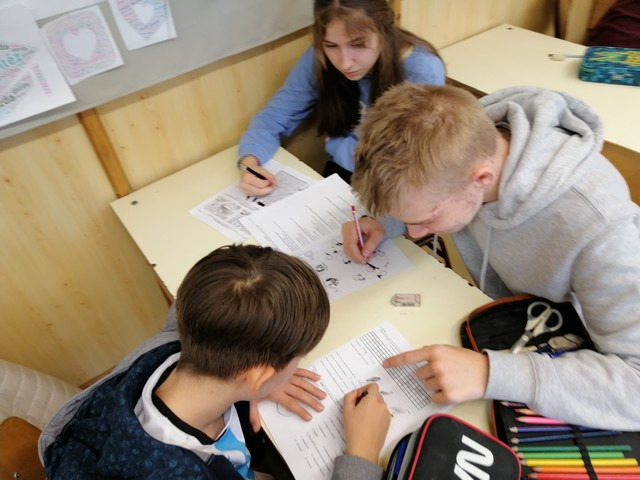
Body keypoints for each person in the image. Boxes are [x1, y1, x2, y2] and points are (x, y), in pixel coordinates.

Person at [341, 83, 640, 431]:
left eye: (426, 219)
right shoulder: (463, 142)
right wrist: (384, 221)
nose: (417, 233)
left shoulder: (602, 228)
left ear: (481, 179)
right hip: (500, 319)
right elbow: (426, 188)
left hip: (569, 355)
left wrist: (491, 373)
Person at [39, 245, 391, 479]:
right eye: (297, 359)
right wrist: (361, 455)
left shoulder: (168, 348)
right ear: (257, 376)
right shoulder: (178, 469)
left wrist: (251, 388)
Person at [238, 0, 445, 195]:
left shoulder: (421, 69)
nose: (345, 63)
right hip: (345, 172)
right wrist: (250, 161)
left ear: (384, 31)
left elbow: (404, 163)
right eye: (331, 45)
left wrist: (335, 144)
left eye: (358, 44)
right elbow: (276, 114)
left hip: (396, 186)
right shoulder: (319, 56)